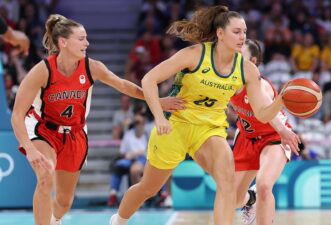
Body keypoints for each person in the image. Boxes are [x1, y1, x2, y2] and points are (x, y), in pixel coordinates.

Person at [110, 6, 289, 225]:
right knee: (148, 187)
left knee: (226, 182)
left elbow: (262, 113)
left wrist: (280, 99)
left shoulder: (247, 70)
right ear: (220, 33)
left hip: (210, 129)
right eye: (236, 31)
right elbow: (149, 79)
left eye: (244, 31)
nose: (242, 37)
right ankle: (118, 220)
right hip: (176, 124)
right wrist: (159, 116)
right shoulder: (195, 54)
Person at [10, 14, 184, 225]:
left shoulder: (92, 67)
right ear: (63, 42)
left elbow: (124, 85)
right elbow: (17, 115)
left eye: (86, 38)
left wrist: (156, 101)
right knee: (45, 177)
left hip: (75, 133)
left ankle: (54, 220)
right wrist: (29, 148)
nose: (87, 43)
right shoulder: (42, 71)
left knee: (64, 202)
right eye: (81, 38)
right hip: (43, 130)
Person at [231, 39, 301, 225]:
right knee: (234, 199)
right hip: (247, 138)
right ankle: (250, 200)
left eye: (239, 55)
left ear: (252, 62)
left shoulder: (260, 85)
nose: (233, 58)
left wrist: (283, 131)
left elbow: (265, 113)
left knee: (264, 185)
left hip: (275, 136)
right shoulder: (227, 80)